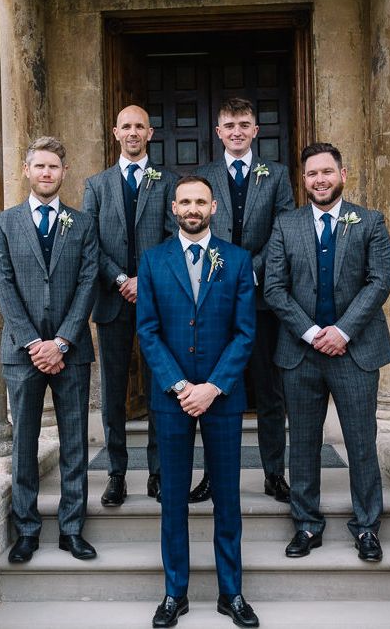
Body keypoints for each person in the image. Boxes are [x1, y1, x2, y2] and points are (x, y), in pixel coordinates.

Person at [137, 176, 259, 628]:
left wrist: (212, 387)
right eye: (185, 201)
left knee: (227, 497)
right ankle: (175, 593)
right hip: (172, 401)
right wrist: (180, 386)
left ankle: (232, 593)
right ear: (173, 208)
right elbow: (147, 331)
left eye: (200, 202)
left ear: (213, 208)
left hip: (222, 398)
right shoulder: (152, 261)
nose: (193, 208)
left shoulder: (238, 260)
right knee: (173, 499)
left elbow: (245, 332)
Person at [264, 142, 390, 562]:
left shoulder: (370, 222)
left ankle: (366, 527)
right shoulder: (287, 225)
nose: (319, 180)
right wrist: (310, 331)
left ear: (342, 174)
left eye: (326, 172)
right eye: (311, 174)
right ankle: (306, 524)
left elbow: (379, 281)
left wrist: (342, 331)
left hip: (355, 352)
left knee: (360, 442)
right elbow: (274, 288)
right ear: (303, 181)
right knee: (302, 443)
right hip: (300, 354)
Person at [0, 136, 98, 563]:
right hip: (23, 353)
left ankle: (72, 528)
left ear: (64, 173)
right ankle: (27, 530)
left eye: (54, 167)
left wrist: (63, 341)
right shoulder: (4, 223)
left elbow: (88, 281)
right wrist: (35, 342)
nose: (47, 173)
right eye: (40, 167)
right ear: (27, 171)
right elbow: (4, 284)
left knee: (74, 442)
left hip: (71, 351)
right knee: (24, 443)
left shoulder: (82, 223)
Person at [190, 97, 295, 504]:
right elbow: (197, 229)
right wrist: (227, 271)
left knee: (270, 391)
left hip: (263, 298)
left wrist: (250, 270)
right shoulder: (204, 175)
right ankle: (215, 477)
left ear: (255, 130)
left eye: (244, 124)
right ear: (218, 132)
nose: (236, 131)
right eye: (229, 124)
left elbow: (283, 227)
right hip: (215, 300)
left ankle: (273, 473)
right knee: (216, 387)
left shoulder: (278, 175)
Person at [82, 105, 177, 506]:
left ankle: (158, 473)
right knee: (114, 393)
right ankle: (117, 474)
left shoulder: (169, 182)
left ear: (150, 133)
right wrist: (121, 279)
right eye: (127, 126)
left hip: (159, 302)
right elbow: (89, 241)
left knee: (161, 388)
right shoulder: (97, 184)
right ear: (116, 132)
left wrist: (146, 281)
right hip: (113, 301)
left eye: (140, 126)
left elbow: (177, 235)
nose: (134, 132)